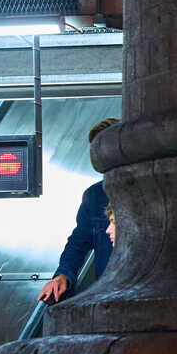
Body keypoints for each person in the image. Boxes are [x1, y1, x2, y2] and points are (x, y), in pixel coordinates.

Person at [37, 117, 119, 305]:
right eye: (96, 150)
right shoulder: (94, 196)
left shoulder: (146, 188)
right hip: (107, 296)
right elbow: (78, 241)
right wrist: (63, 275)